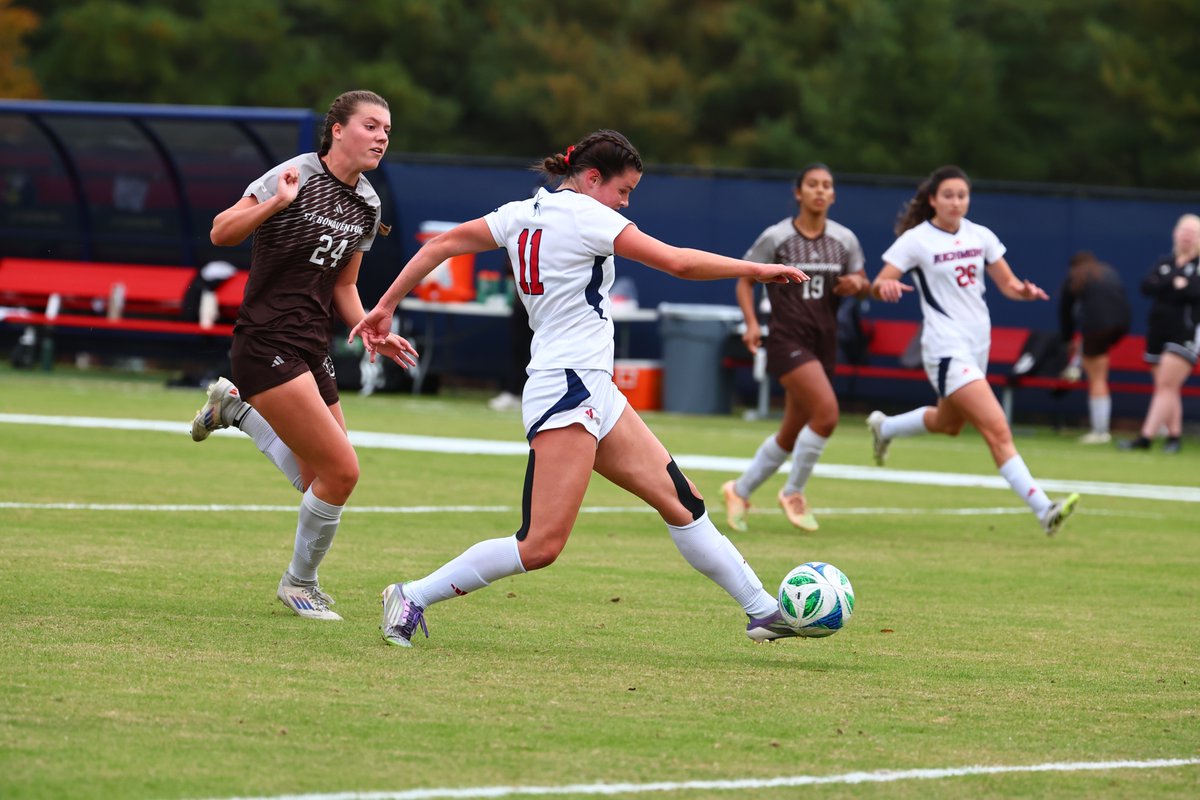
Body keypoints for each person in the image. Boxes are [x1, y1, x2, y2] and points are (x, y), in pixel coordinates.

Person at [351, 130, 810, 647]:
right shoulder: (588, 215)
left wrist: (386, 305)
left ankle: (764, 610)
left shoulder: (522, 211)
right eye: (624, 191)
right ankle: (411, 595)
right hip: (568, 386)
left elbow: (440, 244)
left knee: (683, 502)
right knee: (540, 545)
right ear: (592, 179)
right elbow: (677, 262)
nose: (626, 203)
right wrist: (757, 270)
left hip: (590, 386)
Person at [189, 90, 418, 620]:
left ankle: (235, 410)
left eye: (387, 128)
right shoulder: (295, 175)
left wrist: (368, 325)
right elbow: (221, 231)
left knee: (324, 477)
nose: (382, 136)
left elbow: (343, 284)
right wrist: (275, 203)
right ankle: (299, 584)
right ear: (337, 129)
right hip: (266, 339)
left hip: (313, 345)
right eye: (370, 125)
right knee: (342, 471)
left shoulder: (368, 202)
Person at [864, 165, 1080, 536]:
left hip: (977, 343)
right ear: (932, 199)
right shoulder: (916, 240)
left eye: (962, 195)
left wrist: (1023, 292)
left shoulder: (981, 236)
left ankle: (885, 427)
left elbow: (1009, 285)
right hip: (945, 348)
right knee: (997, 428)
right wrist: (883, 288)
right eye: (947, 195)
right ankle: (1043, 508)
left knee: (949, 425)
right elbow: (879, 282)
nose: (955, 202)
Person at [721, 163, 869, 533]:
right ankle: (794, 492)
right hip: (788, 338)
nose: (820, 191)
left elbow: (861, 281)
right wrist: (753, 323)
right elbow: (745, 277)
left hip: (825, 341)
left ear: (833, 195)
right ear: (798, 192)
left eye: (827, 186)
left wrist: (856, 284)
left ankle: (739, 490)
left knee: (791, 432)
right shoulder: (777, 237)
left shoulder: (845, 240)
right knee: (827, 415)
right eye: (812, 185)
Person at [1118, 214, 1200, 453]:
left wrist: (1170, 283)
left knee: (1166, 384)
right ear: (1175, 233)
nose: (1186, 235)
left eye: (1192, 231)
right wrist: (1175, 280)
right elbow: (1147, 286)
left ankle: (1145, 438)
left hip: (1184, 332)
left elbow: (1194, 292)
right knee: (1167, 388)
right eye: (1183, 230)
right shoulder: (1165, 261)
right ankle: (1174, 437)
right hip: (1158, 331)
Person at [1057, 251, 1131, 444]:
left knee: (1097, 378)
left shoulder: (1076, 276)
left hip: (1096, 328)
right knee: (1099, 372)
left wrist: (1068, 340)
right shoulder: (1108, 272)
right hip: (1120, 325)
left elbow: (1065, 312)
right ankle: (1100, 429)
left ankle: (1100, 431)